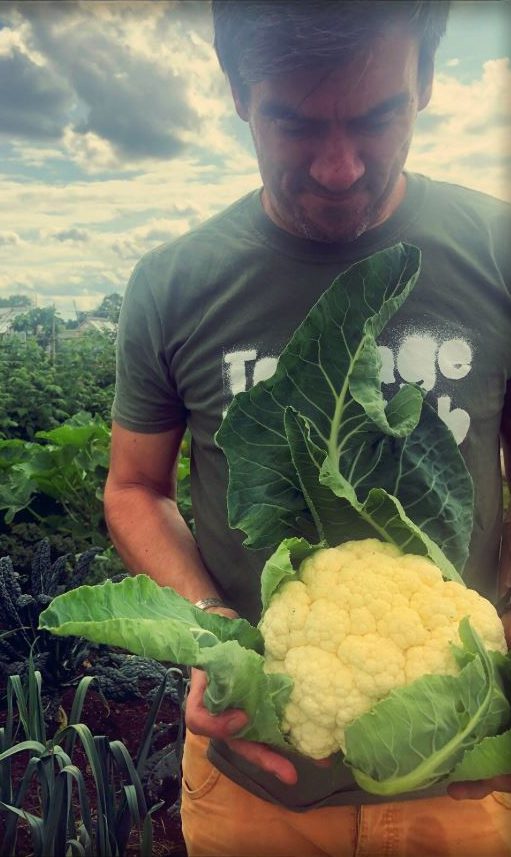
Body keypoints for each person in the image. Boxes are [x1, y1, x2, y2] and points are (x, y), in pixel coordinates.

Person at [104, 2, 511, 855]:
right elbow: (134, 487)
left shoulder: (498, 251)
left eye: (376, 117)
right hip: (252, 784)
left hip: (469, 782)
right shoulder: (173, 282)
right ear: (238, 95)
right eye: (293, 123)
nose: (337, 167)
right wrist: (211, 630)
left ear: (428, 83)